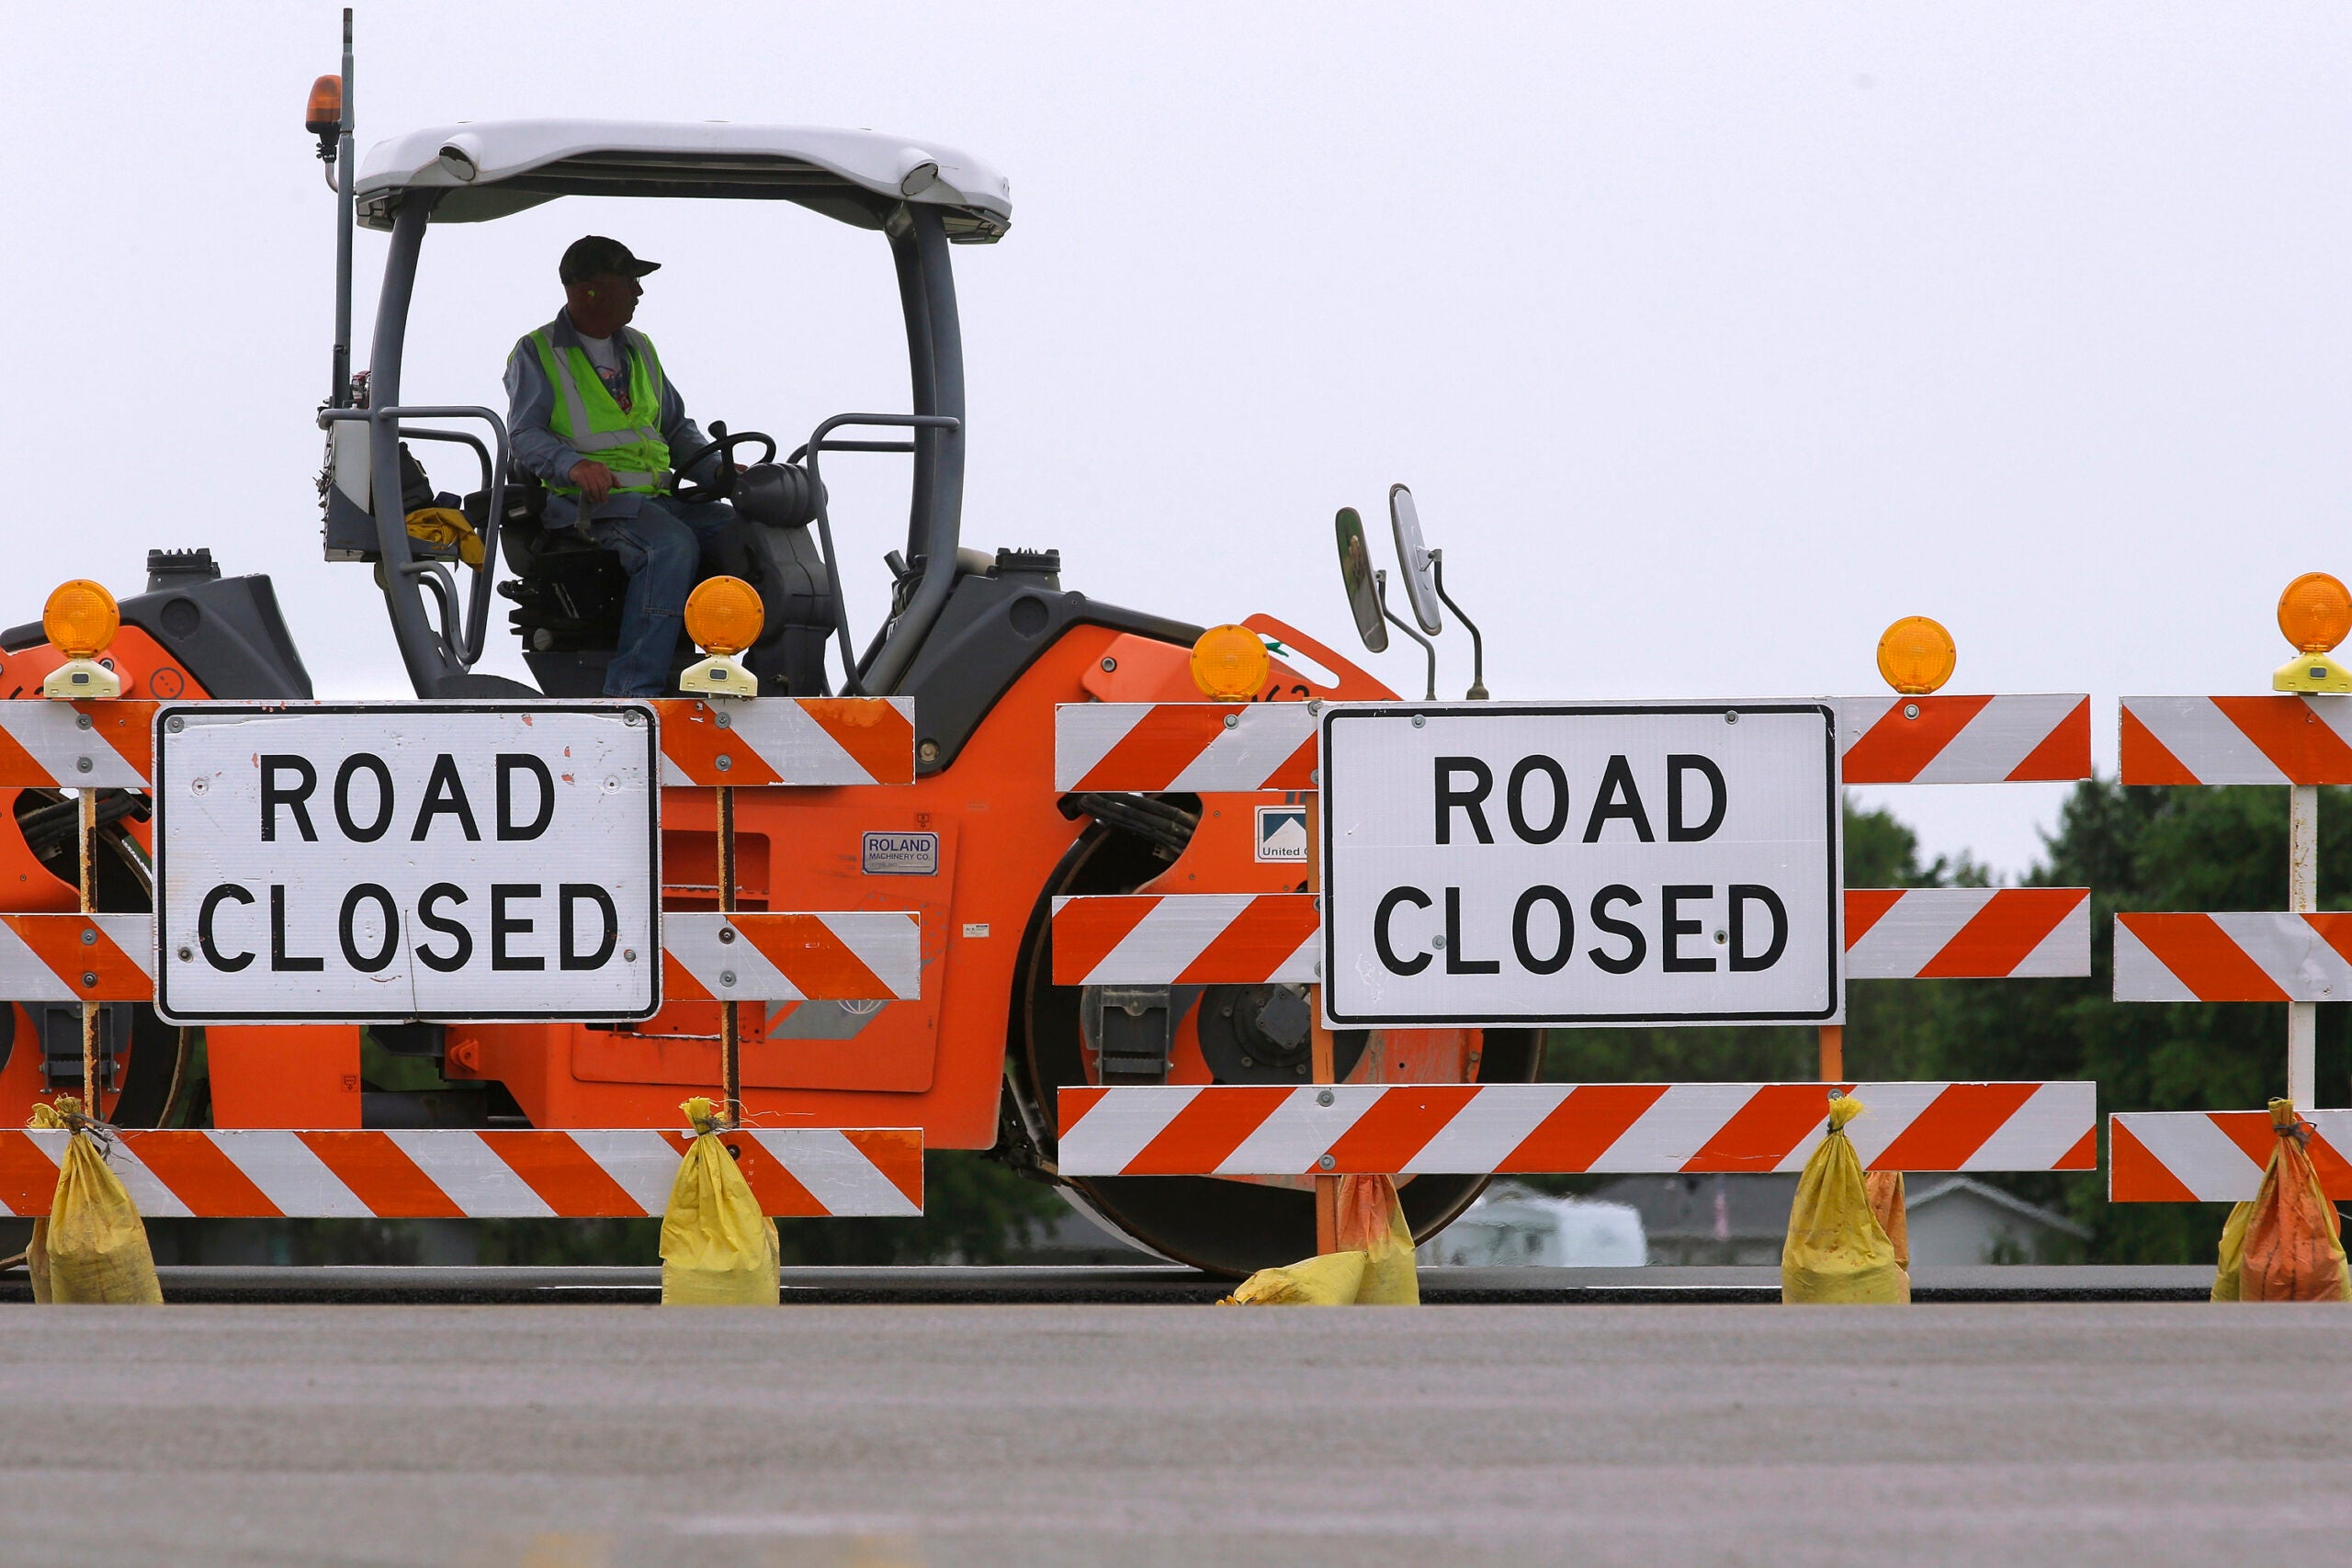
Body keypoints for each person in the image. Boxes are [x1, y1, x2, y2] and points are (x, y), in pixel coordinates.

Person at [504, 235, 736, 696]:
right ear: (589, 290)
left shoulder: (640, 349)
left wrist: (721, 472)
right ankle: (633, 689)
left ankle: (752, 677)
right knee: (667, 547)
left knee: (744, 533)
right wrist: (572, 466)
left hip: (658, 500)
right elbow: (525, 433)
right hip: (586, 505)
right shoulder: (538, 352)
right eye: (630, 280)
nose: (639, 291)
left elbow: (675, 427)